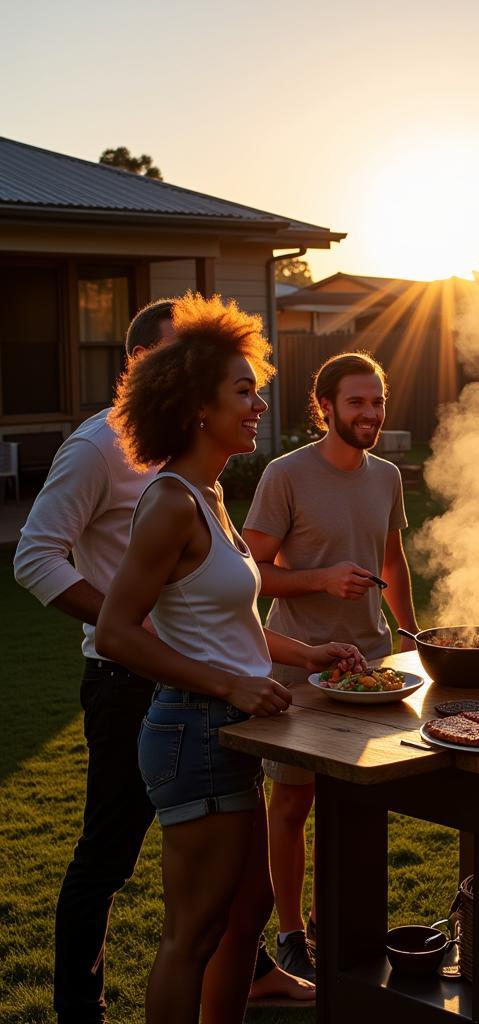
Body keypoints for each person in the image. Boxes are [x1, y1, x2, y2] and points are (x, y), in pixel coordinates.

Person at [94, 293, 365, 1024]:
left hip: (227, 729)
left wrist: (308, 651)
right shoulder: (170, 504)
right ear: (196, 408)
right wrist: (230, 687)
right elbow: (119, 632)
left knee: (245, 919)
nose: (257, 406)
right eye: (242, 393)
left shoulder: (210, 495)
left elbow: (225, 621)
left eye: (256, 390)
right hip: (191, 733)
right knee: (192, 934)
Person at [14, 298, 174, 1024]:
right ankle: (80, 1011)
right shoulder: (96, 446)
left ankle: (256, 968)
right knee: (106, 859)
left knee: (212, 841)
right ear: (139, 362)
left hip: (196, 681)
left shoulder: (183, 447)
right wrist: (121, 619)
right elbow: (34, 557)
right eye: (180, 357)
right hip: (127, 686)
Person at [242, 351, 419, 980]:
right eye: (356, 402)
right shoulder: (286, 476)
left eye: (376, 401)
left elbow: (393, 561)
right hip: (298, 670)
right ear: (324, 408)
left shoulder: (387, 476)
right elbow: (248, 576)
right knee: (292, 804)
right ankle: (291, 933)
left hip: (372, 668)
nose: (370, 413)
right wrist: (319, 579)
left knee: (357, 805)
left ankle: (332, 923)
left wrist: (414, 633)